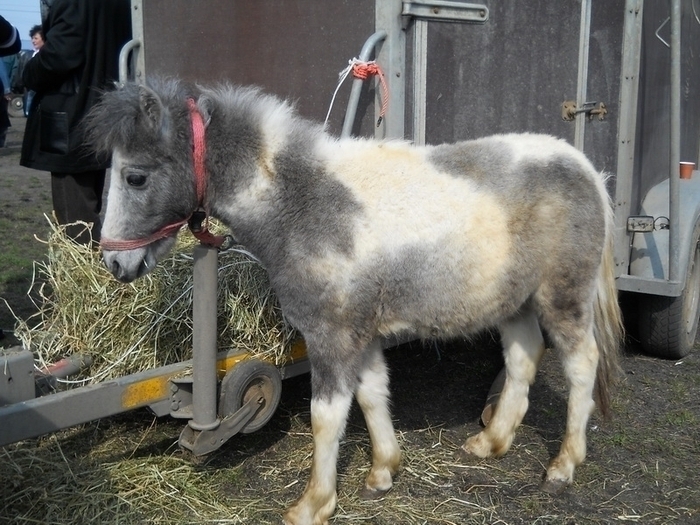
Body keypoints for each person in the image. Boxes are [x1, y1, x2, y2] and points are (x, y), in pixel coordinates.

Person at [20, 0, 132, 245]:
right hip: (104, 108)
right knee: (88, 202)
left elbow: (60, 54)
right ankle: (91, 268)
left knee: (75, 218)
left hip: (71, 115)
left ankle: (86, 273)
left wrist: (27, 74)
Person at [24, 25, 45, 116]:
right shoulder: (28, 54)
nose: (33, 41)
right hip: (29, 89)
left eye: (36, 38)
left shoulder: (47, 56)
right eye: (32, 38)